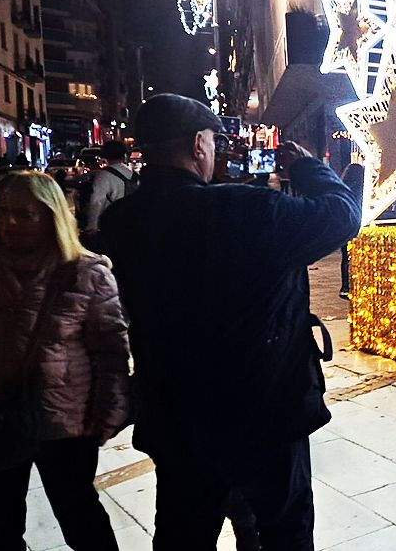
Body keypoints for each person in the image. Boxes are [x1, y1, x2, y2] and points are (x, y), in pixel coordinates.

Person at [99, 93, 360, 549]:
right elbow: (341, 215)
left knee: (183, 531)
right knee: (284, 529)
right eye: (213, 144)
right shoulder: (246, 211)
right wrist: (306, 167)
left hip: (177, 414)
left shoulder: (123, 221)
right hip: (265, 411)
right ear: (199, 144)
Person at [0, 170, 130, 550]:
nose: (11, 223)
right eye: (3, 212)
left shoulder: (85, 272)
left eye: (25, 214)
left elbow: (111, 351)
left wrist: (108, 414)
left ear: (51, 215)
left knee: (81, 516)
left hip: (67, 423)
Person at [82, 141, 137, 244]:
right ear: (124, 155)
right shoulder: (133, 175)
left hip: (112, 226)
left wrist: (92, 226)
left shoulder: (103, 176)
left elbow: (96, 201)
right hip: (133, 224)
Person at [339, 162, 365, 299]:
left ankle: (345, 286)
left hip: (345, 226)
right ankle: (354, 284)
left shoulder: (343, 189)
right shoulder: (362, 191)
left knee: (346, 257)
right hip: (357, 225)